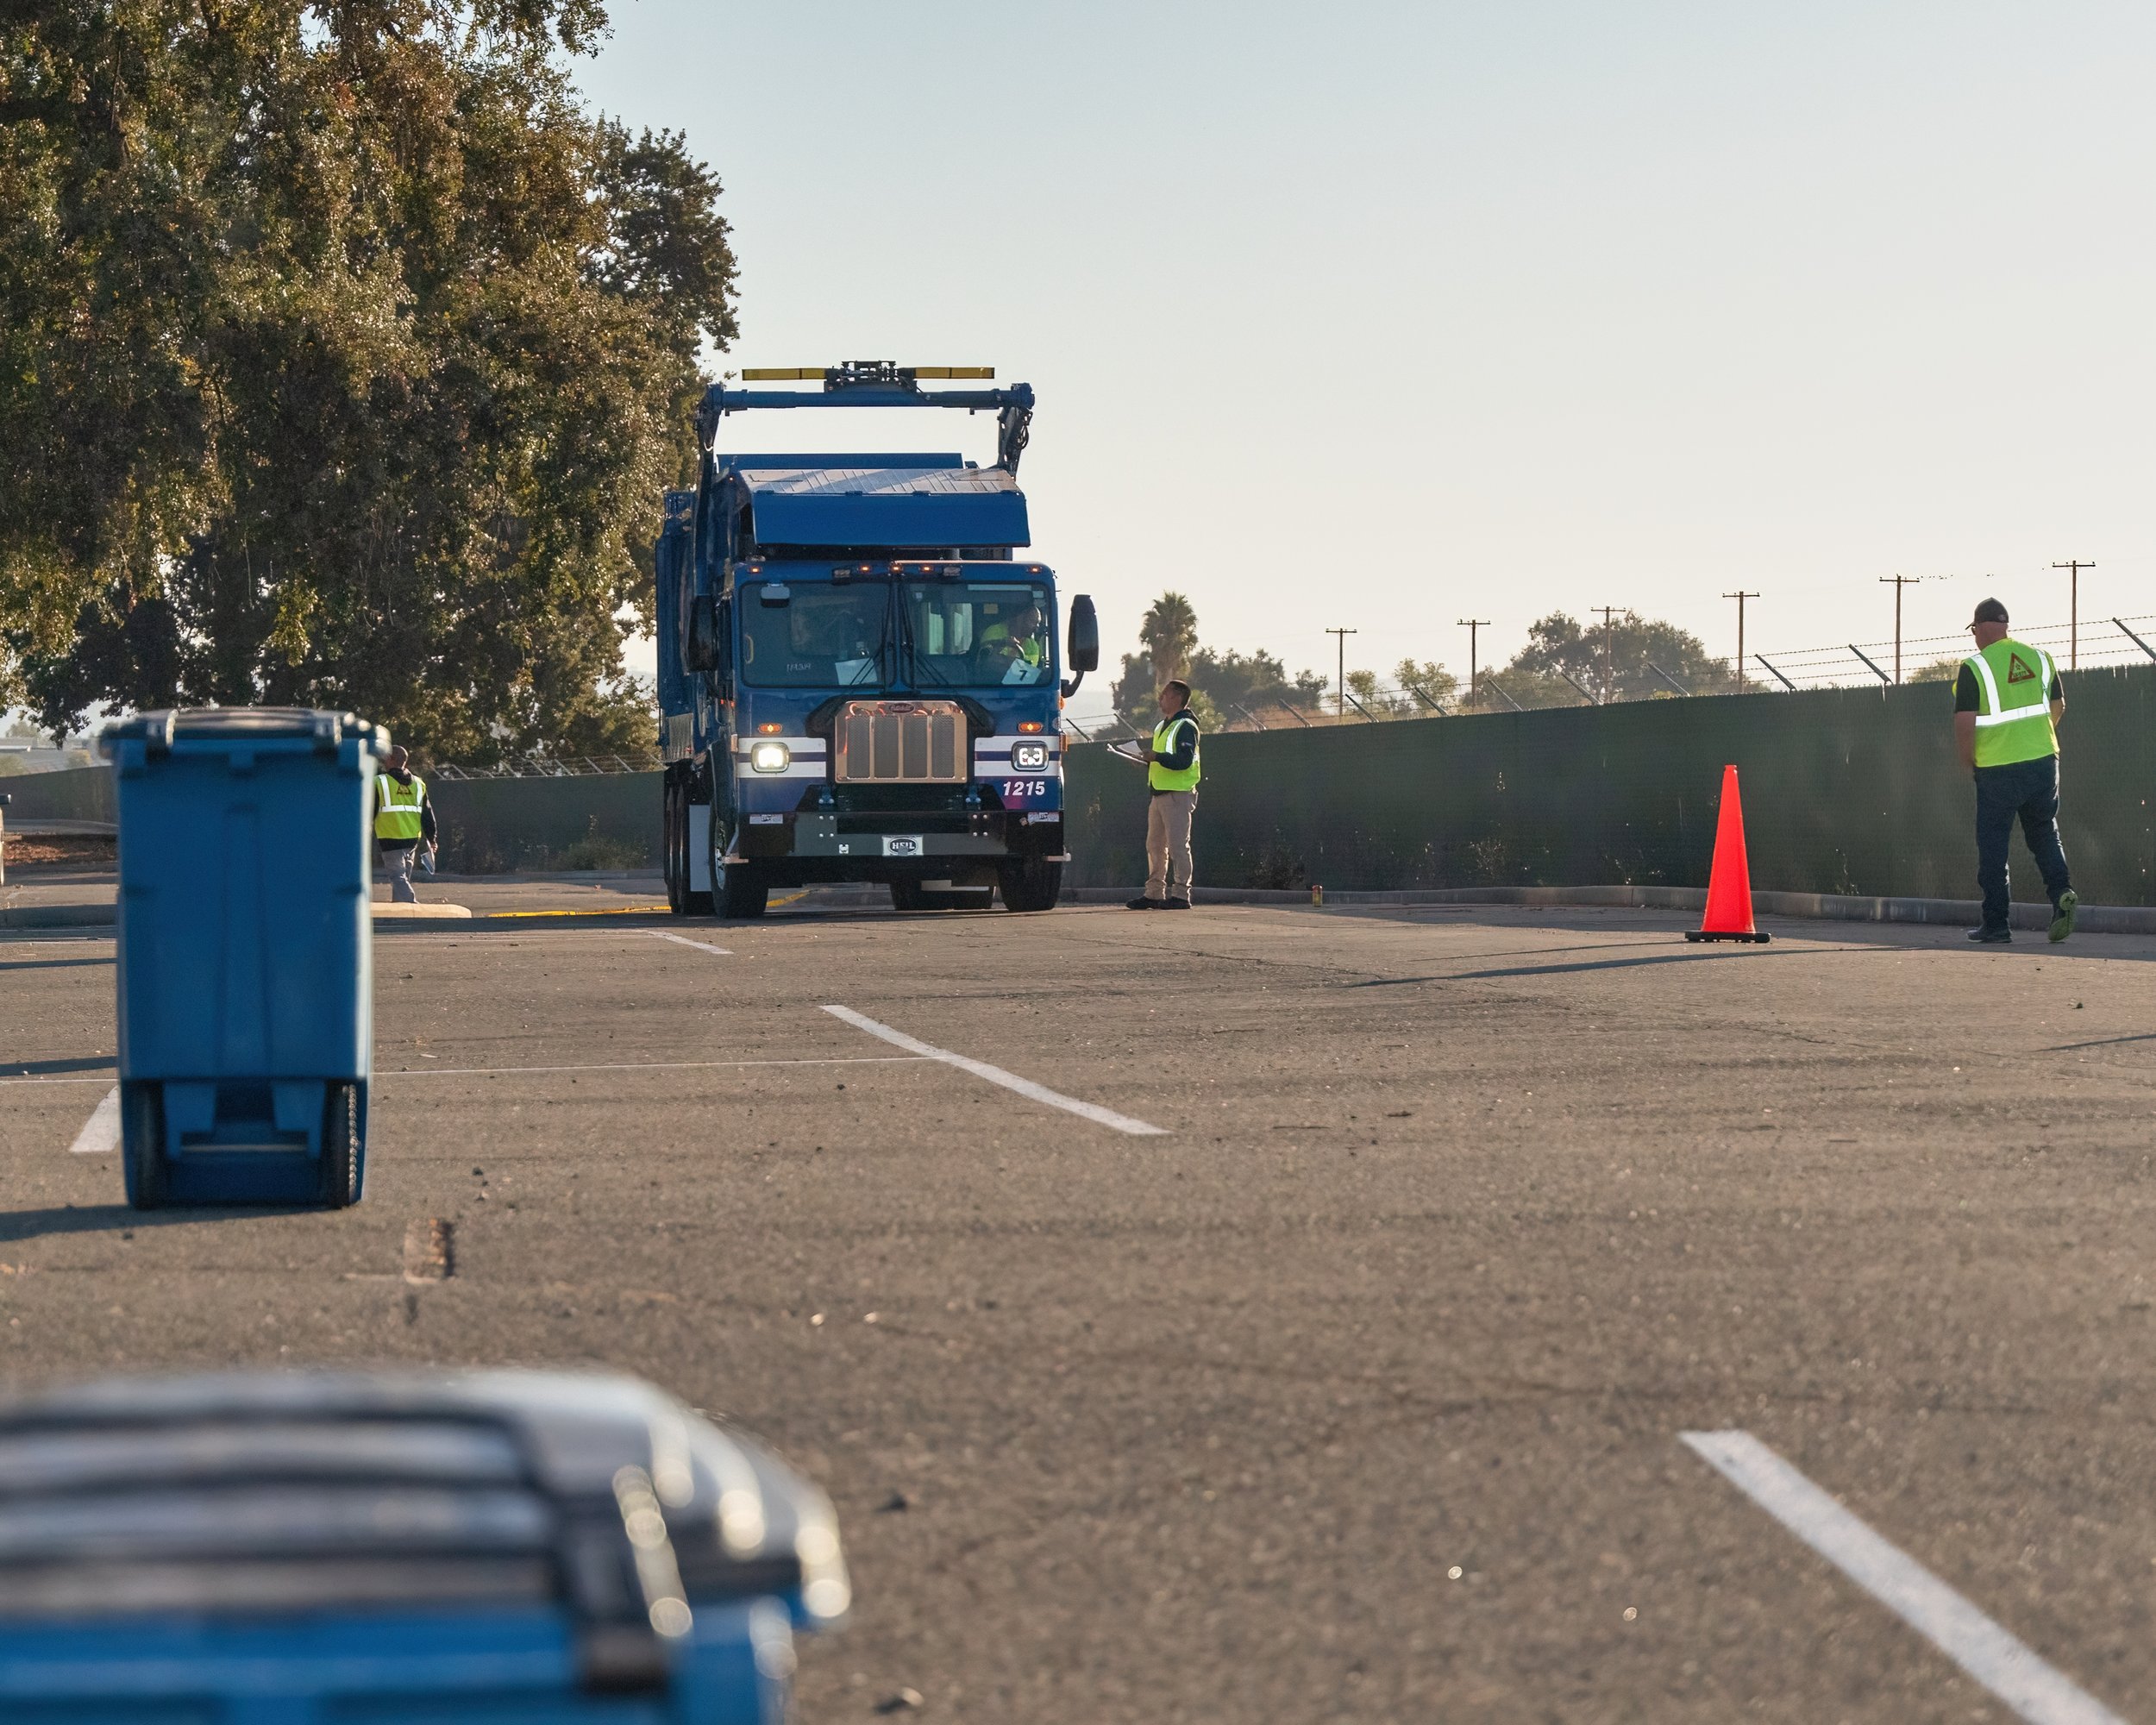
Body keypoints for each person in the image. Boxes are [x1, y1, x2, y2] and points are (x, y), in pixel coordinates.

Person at [1954, 598, 2075, 944]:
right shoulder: (2040, 658)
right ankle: (2062, 894)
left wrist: (1969, 759)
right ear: (2006, 626)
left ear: (1978, 629)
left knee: (1994, 846)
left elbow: (1965, 723)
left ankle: (1996, 924)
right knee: (2044, 834)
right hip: (2043, 763)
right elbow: (2058, 705)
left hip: (1997, 769)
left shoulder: (1975, 667)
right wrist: (2036, 738)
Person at [1127, 680, 1200, 911]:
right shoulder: (1162, 726)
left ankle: (1181, 894)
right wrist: (1145, 762)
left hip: (1178, 795)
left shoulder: (1186, 725)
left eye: (1164, 695)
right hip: (1159, 794)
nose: (1160, 699)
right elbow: (1162, 759)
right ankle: (1154, 893)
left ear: (1177, 698)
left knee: (1179, 845)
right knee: (1155, 845)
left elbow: (1184, 761)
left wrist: (1156, 757)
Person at [373, 745, 437, 905]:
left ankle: (412, 902)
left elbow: (371, 810)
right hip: (412, 838)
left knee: (397, 876)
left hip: (390, 836)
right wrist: (432, 838)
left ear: (390, 759)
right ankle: (401, 908)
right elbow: (427, 814)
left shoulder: (379, 782)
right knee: (402, 877)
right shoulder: (418, 783)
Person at [980, 603, 1045, 672]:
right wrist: (1003, 643)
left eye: (1038, 623)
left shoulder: (1032, 646)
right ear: (1020, 618)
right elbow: (985, 661)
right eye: (1033, 622)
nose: (1037, 627)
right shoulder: (993, 632)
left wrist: (1006, 659)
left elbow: (1026, 673)